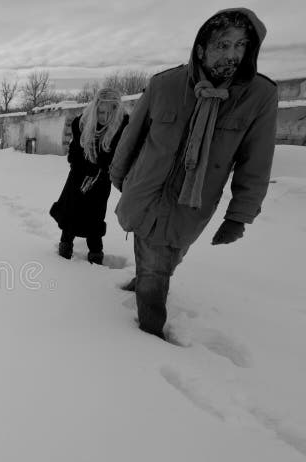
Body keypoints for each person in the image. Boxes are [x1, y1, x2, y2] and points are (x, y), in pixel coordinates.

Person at [109, 8, 278, 339]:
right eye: (223, 44)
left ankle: (146, 278)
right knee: (156, 263)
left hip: (193, 203)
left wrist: (239, 216)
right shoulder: (164, 84)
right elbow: (132, 138)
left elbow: (255, 163)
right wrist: (121, 177)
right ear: (201, 48)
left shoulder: (259, 97)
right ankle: (147, 335)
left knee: (169, 255)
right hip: (146, 190)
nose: (232, 54)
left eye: (240, 45)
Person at [50, 88, 129, 264]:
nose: (104, 116)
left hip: (102, 179)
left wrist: (101, 169)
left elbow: (119, 155)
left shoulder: (122, 127)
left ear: (116, 112)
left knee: (96, 214)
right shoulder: (83, 123)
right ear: (95, 109)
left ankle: (95, 253)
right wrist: (83, 167)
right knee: (71, 211)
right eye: (101, 111)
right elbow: (74, 153)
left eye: (110, 113)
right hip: (78, 176)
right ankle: (65, 247)